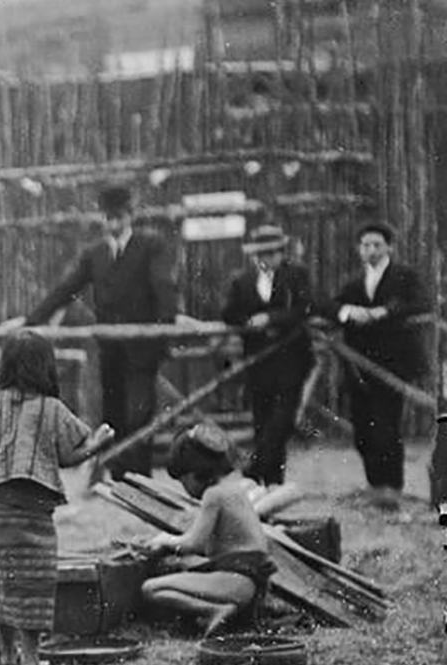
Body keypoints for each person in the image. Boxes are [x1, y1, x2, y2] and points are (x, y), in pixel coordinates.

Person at [0, 331, 114, 665]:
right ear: (46, 367)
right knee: (37, 582)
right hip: (34, 512)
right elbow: (69, 456)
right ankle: (31, 658)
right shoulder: (51, 409)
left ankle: (6, 651)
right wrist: (97, 444)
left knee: (4, 578)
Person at [22, 184, 179, 479]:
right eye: (109, 218)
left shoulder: (150, 246)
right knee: (114, 412)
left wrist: (164, 330)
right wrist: (32, 321)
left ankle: (139, 476)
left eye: (119, 217)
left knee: (140, 413)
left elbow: (164, 287)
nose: (114, 224)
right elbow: (66, 289)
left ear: (130, 216)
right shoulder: (96, 254)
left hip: (143, 346)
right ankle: (119, 477)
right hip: (111, 347)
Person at [320, 221, 433, 508]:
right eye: (366, 245)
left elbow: (421, 303)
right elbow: (328, 306)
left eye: (377, 245)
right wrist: (348, 312)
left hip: (391, 366)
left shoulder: (403, 277)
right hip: (358, 368)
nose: (371, 250)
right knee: (362, 432)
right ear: (359, 249)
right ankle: (375, 486)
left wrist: (385, 311)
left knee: (386, 428)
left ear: (389, 248)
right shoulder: (354, 283)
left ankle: (391, 489)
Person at [134, 424, 274, 635]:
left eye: (183, 480)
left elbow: (193, 544)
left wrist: (164, 540)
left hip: (236, 581)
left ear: (194, 472)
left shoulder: (213, 495)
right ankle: (226, 609)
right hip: (250, 584)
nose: (185, 488)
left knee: (150, 589)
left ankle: (214, 610)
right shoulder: (234, 489)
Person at [216, 224, 317, 489]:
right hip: (259, 360)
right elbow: (228, 312)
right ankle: (270, 482)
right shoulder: (243, 280)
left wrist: (271, 318)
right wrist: (249, 322)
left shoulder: (296, 275)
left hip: (292, 357)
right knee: (262, 419)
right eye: (261, 253)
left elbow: (305, 307)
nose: (267, 258)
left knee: (282, 420)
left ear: (282, 252)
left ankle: (253, 469)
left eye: (272, 253)